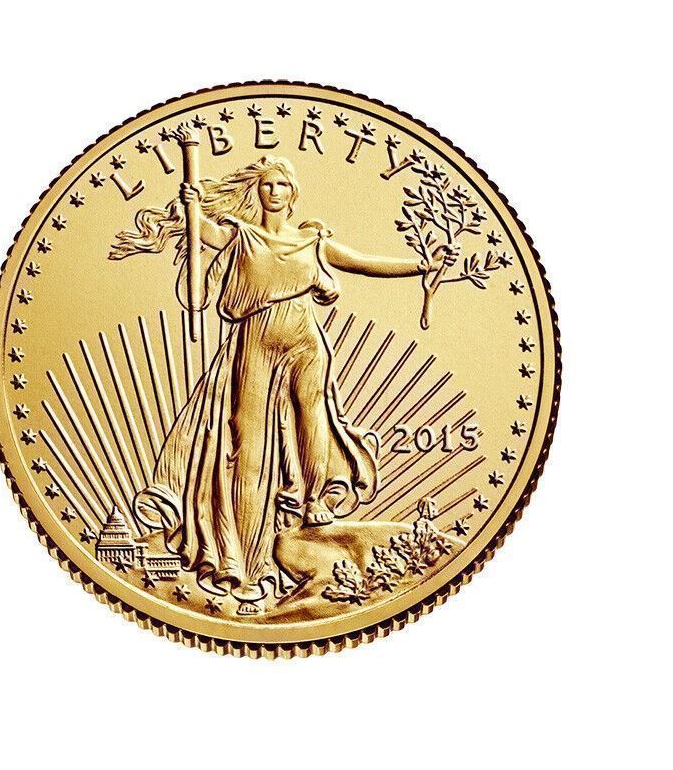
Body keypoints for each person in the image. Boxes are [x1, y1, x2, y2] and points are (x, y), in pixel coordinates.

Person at [122, 156, 459, 613]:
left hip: (304, 341)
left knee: (311, 419)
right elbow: (206, 232)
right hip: (255, 341)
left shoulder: (311, 241)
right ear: (257, 191)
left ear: (293, 192)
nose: (275, 192)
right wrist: (190, 207)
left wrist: (421, 266)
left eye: (282, 184)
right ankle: (243, 554)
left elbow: (363, 263)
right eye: (267, 185)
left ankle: (314, 500)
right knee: (247, 441)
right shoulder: (242, 236)